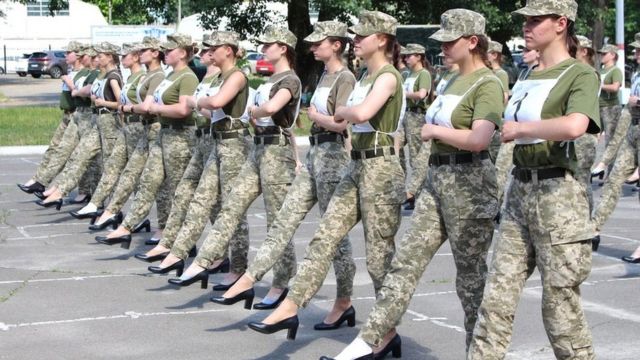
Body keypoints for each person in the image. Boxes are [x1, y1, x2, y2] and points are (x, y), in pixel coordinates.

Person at [323, 9, 503, 360]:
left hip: (470, 185)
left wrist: (434, 131)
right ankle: (369, 342)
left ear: (472, 42)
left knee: (470, 283)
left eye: (451, 41)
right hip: (437, 180)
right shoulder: (450, 81)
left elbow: (481, 138)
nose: (444, 47)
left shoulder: (489, 83)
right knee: (404, 264)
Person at [246, 10, 405, 342]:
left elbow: (356, 114)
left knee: (378, 260)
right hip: (357, 165)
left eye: (362, 36)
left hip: (380, 168)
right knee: (323, 238)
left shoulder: (387, 76)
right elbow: (348, 114)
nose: (356, 41)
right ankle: (291, 305)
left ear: (383, 40)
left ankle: (385, 333)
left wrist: (340, 112)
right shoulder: (363, 78)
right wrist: (339, 113)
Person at [468, 1, 600, 359]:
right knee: (495, 300)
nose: (527, 26)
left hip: (558, 196)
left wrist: (522, 128)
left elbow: (575, 125)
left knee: (560, 309)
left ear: (561, 24)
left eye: (536, 20)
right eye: (525, 20)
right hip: (521, 190)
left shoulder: (580, 74)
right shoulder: (528, 75)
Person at [211, 20, 358, 327]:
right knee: (284, 219)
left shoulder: (344, 77)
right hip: (316, 152)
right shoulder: (323, 75)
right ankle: (250, 279)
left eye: (320, 42)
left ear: (336, 45)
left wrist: (317, 117)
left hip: (332, 157)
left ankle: (343, 301)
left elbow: (342, 123)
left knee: (335, 238)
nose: (313, 46)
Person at [165, 25, 301, 301]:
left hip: (275, 151)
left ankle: (281, 282)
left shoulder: (290, 80)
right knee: (231, 205)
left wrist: (254, 111)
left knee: (278, 221)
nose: (263, 48)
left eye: (269, 44)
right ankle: (203, 261)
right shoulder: (268, 80)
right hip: (259, 148)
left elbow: (273, 110)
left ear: (283, 48)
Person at [138, 31, 253, 281]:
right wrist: (200, 103)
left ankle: (237, 266)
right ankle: (178, 252)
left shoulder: (237, 75)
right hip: (214, 141)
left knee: (232, 208)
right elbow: (210, 109)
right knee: (196, 197)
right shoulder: (218, 75)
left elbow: (216, 102)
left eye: (214, 48)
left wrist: (194, 101)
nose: (208, 52)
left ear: (229, 50)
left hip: (233, 144)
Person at [95, 34, 199, 248]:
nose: (166, 53)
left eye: (170, 50)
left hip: (180, 137)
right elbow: (149, 103)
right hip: (164, 134)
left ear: (182, 53)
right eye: (165, 50)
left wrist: (153, 109)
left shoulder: (187, 77)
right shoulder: (170, 76)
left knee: (177, 191)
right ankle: (127, 227)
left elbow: (183, 109)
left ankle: (177, 241)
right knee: (148, 181)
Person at [74, 37, 166, 237]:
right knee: (126, 173)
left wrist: (126, 107)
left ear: (155, 53)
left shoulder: (156, 76)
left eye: (144, 51)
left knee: (153, 182)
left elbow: (144, 106)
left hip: (151, 130)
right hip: (137, 128)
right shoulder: (144, 77)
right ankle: (106, 209)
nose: (140, 54)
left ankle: (158, 228)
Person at [67, 43, 148, 224]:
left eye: (126, 55)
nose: (98, 59)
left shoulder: (125, 77)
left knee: (136, 175)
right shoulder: (132, 77)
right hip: (126, 126)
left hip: (135, 128)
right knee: (115, 167)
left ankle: (130, 215)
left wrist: (107, 103)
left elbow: (122, 103)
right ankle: (105, 208)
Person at [37, 42, 124, 210]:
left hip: (109, 123)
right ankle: (59, 191)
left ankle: (110, 209)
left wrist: (102, 102)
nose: (97, 58)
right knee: (80, 155)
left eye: (101, 56)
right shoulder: (102, 76)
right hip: (97, 121)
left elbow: (121, 103)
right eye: (96, 56)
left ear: (110, 57)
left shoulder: (114, 76)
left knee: (109, 166)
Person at [591, 33, 640, 255]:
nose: (635, 54)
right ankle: (593, 228)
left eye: (639, 50)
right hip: (634, 128)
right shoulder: (637, 74)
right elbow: (627, 114)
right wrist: (605, 159)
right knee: (613, 181)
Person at [18, 41, 85, 196]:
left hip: (77, 115)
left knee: (66, 152)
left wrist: (69, 81)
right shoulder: (70, 71)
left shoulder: (82, 73)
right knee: (53, 148)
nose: (66, 56)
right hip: (66, 114)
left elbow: (81, 93)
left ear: (79, 55)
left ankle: (47, 184)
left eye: (70, 53)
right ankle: (38, 180)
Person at [494, 46, 540, 204]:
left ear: (538, 52)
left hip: (526, 132)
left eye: (528, 50)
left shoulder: (539, 74)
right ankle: (496, 206)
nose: (523, 54)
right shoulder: (524, 72)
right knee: (500, 169)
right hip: (511, 129)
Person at [397, 43, 432, 211]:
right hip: (405, 115)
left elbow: (421, 94)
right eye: (405, 56)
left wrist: (403, 94)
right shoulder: (408, 74)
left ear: (419, 56)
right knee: (395, 150)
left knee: (417, 157)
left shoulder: (423, 74)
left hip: (418, 116)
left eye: (410, 55)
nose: (406, 58)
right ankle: (404, 188)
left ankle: (417, 193)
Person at [591, 43, 623, 180]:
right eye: (601, 54)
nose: (601, 56)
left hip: (610, 108)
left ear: (613, 55)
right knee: (592, 137)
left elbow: (615, 87)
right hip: (598, 107)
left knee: (610, 141)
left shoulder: (615, 71)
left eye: (604, 54)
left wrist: (600, 85)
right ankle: (594, 168)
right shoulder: (601, 70)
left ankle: (610, 173)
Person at [488, 40, 510, 104]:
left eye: (485, 53)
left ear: (494, 55)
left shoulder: (501, 74)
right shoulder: (489, 71)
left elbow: (505, 97)